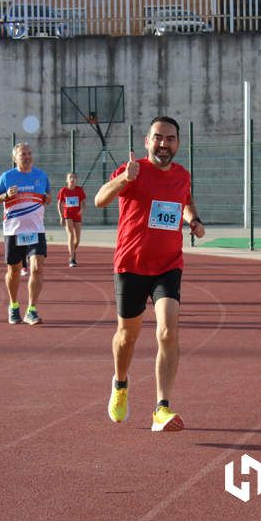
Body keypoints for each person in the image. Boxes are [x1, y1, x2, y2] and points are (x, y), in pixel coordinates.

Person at [94, 116, 205, 432]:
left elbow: (185, 199)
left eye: (170, 138)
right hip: (131, 264)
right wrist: (123, 180)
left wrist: (194, 219)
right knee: (126, 337)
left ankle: (162, 407)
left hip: (169, 264)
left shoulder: (182, 175)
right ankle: (120, 383)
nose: (164, 144)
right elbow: (101, 200)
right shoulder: (134, 171)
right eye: (158, 137)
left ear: (178, 143)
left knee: (168, 331)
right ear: (147, 141)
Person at [0, 142, 51, 325]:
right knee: (13, 271)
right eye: (23, 154)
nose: (27, 156)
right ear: (15, 158)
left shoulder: (41, 175)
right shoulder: (7, 177)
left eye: (29, 153)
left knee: (37, 268)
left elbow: (48, 196)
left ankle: (32, 310)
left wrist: (47, 198)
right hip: (14, 231)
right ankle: (13, 306)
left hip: (36, 230)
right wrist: (5, 195)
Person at [57, 172, 87, 267]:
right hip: (67, 215)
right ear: (67, 180)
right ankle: (72, 258)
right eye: (70, 177)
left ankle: (73, 251)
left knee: (77, 239)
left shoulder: (79, 190)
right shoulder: (63, 190)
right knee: (70, 235)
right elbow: (59, 204)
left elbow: (84, 204)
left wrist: (81, 210)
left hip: (77, 216)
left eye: (74, 177)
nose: (72, 179)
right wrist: (61, 216)